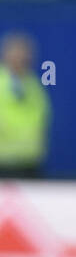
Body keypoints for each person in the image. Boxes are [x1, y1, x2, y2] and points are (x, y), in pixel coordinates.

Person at [0, 32, 51, 178]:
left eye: (24, 55)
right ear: (6, 55)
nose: (21, 58)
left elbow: (42, 116)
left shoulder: (33, 84)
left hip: (30, 163)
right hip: (4, 163)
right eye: (16, 54)